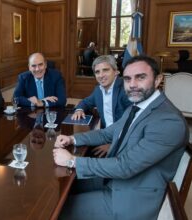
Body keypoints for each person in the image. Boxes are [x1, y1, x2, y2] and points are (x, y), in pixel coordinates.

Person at [53, 55, 189, 219]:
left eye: (141, 77)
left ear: (158, 79)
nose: (132, 85)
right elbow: (107, 133)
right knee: (62, 187)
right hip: (115, 179)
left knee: (58, 210)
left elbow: (125, 166)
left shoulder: (168, 120)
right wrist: (73, 139)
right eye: (127, 79)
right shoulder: (138, 106)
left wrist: (71, 160)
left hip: (131, 198)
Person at [71, 55, 131, 157]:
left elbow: (132, 123)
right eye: (97, 72)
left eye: (105, 70)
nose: (101, 75)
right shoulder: (98, 90)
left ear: (116, 72)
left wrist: (113, 145)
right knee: (77, 149)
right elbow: (85, 102)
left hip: (123, 142)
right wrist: (79, 110)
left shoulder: (125, 90)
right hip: (105, 136)